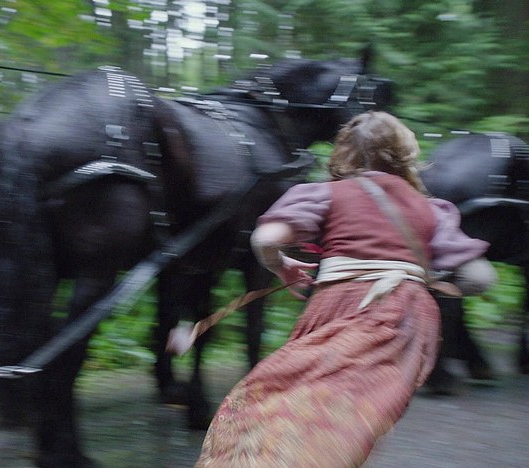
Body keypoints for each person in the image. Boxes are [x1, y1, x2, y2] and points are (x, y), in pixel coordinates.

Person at [195, 111, 497, 467]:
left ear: (344, 153)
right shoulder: (433, 210)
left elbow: (265, 239)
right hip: (405, 316)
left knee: (282, 394)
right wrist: (429, 282)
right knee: (352, 415)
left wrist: (280, 266)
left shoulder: (324, 194)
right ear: (404, 153)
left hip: (339, 304)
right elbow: (480, 278)